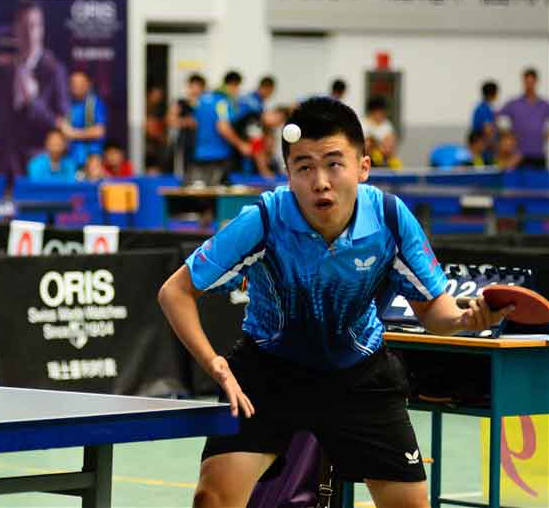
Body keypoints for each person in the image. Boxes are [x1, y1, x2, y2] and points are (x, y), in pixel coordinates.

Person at [158, 97, 510, 508]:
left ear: (363, 167)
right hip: (269, 372)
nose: (320, 182)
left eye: (334, 164)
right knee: (213, 499)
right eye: (304, 167)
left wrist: (465, 320)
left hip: (358, 373)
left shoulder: (389, 219)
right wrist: (214, 363)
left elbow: (434, 311)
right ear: (288, 174)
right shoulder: (265, 220)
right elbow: (175, 292)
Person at [0, 0, 69, 176]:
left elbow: (61, 123)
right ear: (15, 29)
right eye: (24, 26)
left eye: (34, 26)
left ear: (42, 29)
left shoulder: (54, 69)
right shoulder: (6, 69)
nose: (29, 33)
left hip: (39, 163)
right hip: (7, 163)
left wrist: (33, 101)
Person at [189, 71, 250, 185]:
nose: (238, 92)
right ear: (233, 85)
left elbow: (194, 123)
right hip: (218, 155)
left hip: (200, 154)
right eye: (238, 88)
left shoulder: (202, 100)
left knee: (203, 190)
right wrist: (241, 144)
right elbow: (223, 127)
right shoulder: (222, 102)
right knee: (217, 192)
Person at [498, 68, 549, 169]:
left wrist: (546, 134)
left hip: (538, 154)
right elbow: (496, 118)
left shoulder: (544, 104)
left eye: (531, 82)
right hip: (518, 155)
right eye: (526, 82)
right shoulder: (514, 104)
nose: (529, 85)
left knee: (539, 179)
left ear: (536, 82)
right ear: (523, 82)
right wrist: (506, 135)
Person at [60, 70, 107, 168]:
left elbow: (99, 131)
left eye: (80, 82)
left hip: (91, 158)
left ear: (88, 84)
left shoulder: (95, 103)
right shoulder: (67, 105)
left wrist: (74, 133)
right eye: (73, 83)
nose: (77, 85)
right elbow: (63, 128)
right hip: (71, 159)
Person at [167, 73, 207, 175]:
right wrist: (186, 122)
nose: (195, 90)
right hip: (185, 142)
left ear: (203, 88)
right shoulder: (180, 103)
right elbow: (170, 121)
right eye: (192, 87)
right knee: (185, 171)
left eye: (198, 87)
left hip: (203, 143)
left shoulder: (207, 104)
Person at [144, 84, 170, 172]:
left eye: (160, 94)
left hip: (157, 146)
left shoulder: (159, 109)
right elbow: (150, 128)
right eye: (156, 94)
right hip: (150, 146)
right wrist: (161, 136)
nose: (158, 97)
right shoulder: (145, 108)